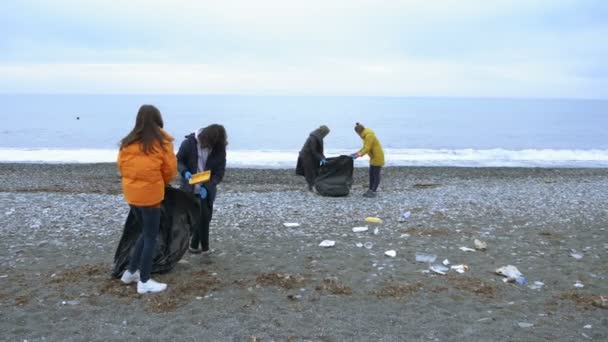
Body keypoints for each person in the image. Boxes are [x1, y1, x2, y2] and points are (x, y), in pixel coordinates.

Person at [117, 104, 177, 294]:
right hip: (151, 196)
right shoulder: (162, 143)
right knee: (151, 236)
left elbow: (121, 167)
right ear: (158, 120)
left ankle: (130, 272)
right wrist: (162, 184)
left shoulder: (128, 142)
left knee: (145, 232)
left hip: (132, 194)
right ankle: (144, 281)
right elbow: (169, 170)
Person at [177, 124, 227, 255]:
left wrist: (209, 185)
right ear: (205, 138)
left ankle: (199, 247)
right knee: (193, 219)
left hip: (207, 186)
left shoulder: (219, 148)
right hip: (189, 185)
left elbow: (219, 173)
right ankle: (198, 247)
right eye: (210, 144)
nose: (211, 147)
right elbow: (178, 160)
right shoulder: (189, 143)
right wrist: (184, 171)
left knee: (205, 217)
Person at [351, 122, 385, 198]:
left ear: (358, 132)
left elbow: (367, 148)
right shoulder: (365, 135)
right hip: (373, 157)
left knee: (375, 175)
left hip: (377, 157)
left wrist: (358, 155)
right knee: (371, 174)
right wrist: (356, 153)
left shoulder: (369, 135)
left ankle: (373, 191)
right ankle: (370, 189)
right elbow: (364, 147)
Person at [296, 125, 330, 191]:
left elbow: (318, 151)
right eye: (326, 133)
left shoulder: (317, 136)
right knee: (310, 172)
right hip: (306, 156)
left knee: (314, 171)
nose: (326, 135)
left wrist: (323, 157)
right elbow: (313, 150)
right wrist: (321, 158)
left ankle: (313, 187)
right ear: (323, 132)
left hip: (311, 156)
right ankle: (311, 188)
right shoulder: (313, 138)